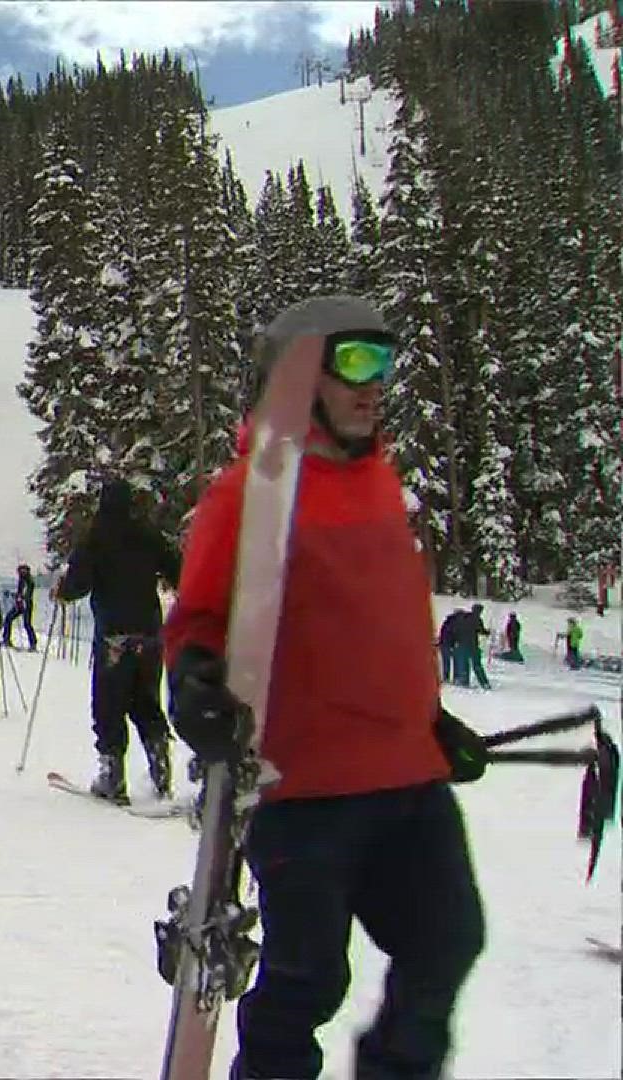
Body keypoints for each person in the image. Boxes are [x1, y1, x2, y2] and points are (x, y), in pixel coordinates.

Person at [164, 295, 485, 1080]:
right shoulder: (248, 495)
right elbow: (199, 617)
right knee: (308, 980)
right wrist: (193, 680)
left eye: (384, 363)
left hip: (407, 778)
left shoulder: (379, 484)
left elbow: (375, 625)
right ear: (298, 377)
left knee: (446, 941)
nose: (373, 384)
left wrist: (429, 721)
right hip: (304, 788)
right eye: (353, 363)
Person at [56, 477, 180, 803]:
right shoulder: (148, 535)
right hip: (150, 633)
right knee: (145, 700)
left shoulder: (96, 538)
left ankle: (113, 774)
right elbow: (178, 569)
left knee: (109, 704)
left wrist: (62, 590)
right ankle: (160, 764)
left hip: (114, 634)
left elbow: (77, 584)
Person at [2, 564, 38, 650]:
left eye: (23, 571)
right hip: (20, 604)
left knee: (27, 624)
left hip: (26, 604)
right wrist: (13, 595)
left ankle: (33, 643)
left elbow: (26, 594)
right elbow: (19, 593)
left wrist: (19, 597)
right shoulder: (22, 580)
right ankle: (6, 639)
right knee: (8, 618)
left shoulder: (29, 581)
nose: (20, 573)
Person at [455, 603, 491, 689]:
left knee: (464, 664)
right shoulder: (477, 619)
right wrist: (487, 632)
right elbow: (481, 630)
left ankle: (464, 681)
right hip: (473, 645)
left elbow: (458, 630)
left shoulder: (464, 618)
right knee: (477, 665)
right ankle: (484, 683)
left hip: (462, 644)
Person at [436, 608, 465, 684]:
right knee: (456, 662)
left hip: (444, 644)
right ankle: (456, 678)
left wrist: (440, 642)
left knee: (446, 662)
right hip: (451, 644)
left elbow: (442, 633)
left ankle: (446, 677)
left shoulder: (447, 621)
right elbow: (455, 634)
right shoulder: (457, 623)